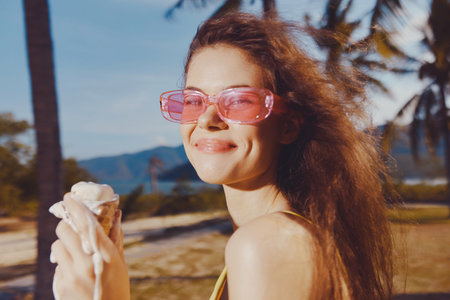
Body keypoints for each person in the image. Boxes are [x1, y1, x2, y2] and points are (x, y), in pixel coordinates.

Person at [51, 12, 394, 300]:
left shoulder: (266, 244)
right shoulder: (280, 235)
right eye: (192, 100)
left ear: (288, 126)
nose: (206, 119)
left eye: (240, 100)